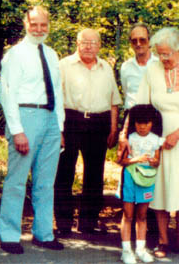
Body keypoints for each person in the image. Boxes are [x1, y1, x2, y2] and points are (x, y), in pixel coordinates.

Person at [125, 27, 179, 260]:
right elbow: (141, 106)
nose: (163, 59)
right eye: (159, 54)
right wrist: (138, 137)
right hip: (156, 140)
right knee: (159, 190)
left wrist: (178, 134)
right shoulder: (152, 70)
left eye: (167, 54)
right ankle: (162, 241)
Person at [0, 6, 65, 254]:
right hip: (25, 117)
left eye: (43, 24)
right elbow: (7, 94)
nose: (39, 29)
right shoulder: (15, 54)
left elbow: (57, 92)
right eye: (34, 24)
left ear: (49, 25)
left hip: (49, 120)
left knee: (46, 182)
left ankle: (43, 233)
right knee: (16, 181)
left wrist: (59, 126)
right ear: (25, 24)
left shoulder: (51, 54)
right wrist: (17, 131)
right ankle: (9, 235)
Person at [55, 28, 123, 235]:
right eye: (84, 42)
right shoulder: (64, 65)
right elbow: (56, 99)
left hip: (99, 124)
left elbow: (113, 102)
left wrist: (113, 128)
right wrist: (59, 130)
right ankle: (64, 223)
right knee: (64, 172)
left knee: (95, 173)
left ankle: (88, 222)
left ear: (99, 46)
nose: (88, 46)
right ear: (77, 43)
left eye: (93, 43)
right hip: (71, 120)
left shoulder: (105, 68)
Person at [117, 104, 164, 264]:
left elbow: (157, 161)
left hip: (147, 179)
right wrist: (135, 160)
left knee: (142, 216)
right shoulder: (129, 138)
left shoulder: (156, 140)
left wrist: (154, 162)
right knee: (128, 215)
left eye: (146, 123)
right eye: (138, 123)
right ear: (134, 123)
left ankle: (141, 249)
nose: (142, 127)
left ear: (152, 123)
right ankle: (126, 250)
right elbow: (120, 160)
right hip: (130, 178)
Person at [121, 24, 158, 111]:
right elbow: (126, 92)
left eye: (142, 40)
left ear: (149, 41)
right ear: (130, 43)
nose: (138, 44)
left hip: (154, 115)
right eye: (134, 41)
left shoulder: (159, 64)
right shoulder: (126, 66)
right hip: (131, 115)